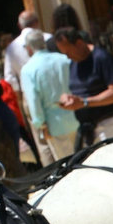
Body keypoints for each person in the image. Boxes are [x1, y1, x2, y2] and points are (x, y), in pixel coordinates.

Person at [54, 28, 113, 146]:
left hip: (108, 124)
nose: (67, 57)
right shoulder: (74, 63)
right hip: (88, 129)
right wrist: (67, 98)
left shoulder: (101, 57)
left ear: (79, 43)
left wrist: (84, 102)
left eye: (68, 52)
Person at [19, 29, 79, 163]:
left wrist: (41, 125)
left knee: (68, 167)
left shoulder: (28, 70)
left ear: (29, 48)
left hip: (55, 125)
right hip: (76, 116)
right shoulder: (63, 59)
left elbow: (34, 101)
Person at [4, 10, 42, 97]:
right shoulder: (49, 38)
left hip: (29, 93)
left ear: (19, 25)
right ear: (37, 22)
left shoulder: (11, 48)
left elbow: (9, 77)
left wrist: (19, 96)